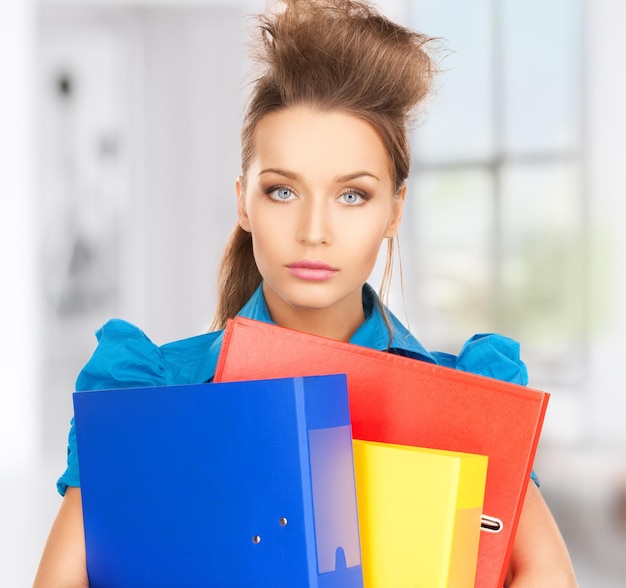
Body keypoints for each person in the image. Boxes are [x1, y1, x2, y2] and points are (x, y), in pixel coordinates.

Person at [33, 1, 578, 586]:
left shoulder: (471, 400)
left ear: (395, 209)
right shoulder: (145, 388)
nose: (314, 230)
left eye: (352, 195)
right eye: (282, 191)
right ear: (243, 200)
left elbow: (545, 574)